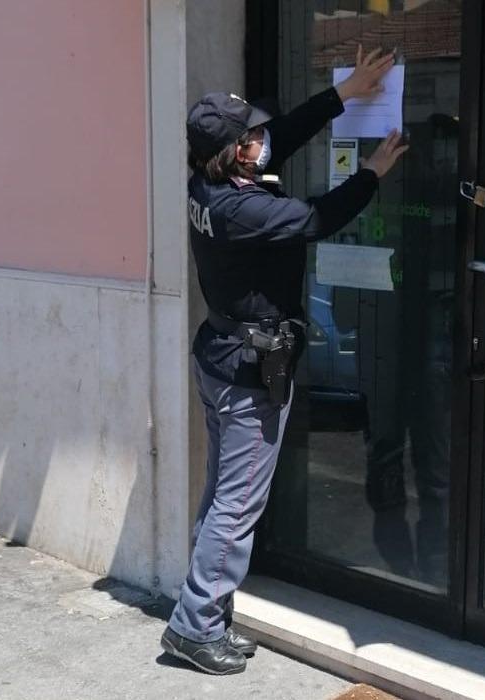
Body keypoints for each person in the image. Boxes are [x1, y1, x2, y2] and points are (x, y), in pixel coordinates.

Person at [162, 45, 408, 676]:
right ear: (234, 153)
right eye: (251, 136)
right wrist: (372, 173)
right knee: (237, 505)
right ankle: (193, 627)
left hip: (222, 356)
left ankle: (206, 614)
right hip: (247, 372)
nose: (262, 140)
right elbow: (319, 217)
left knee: (222, 495)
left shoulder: (209, 182)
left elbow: (287, 134)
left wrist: (345, 93)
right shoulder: (240, 209)